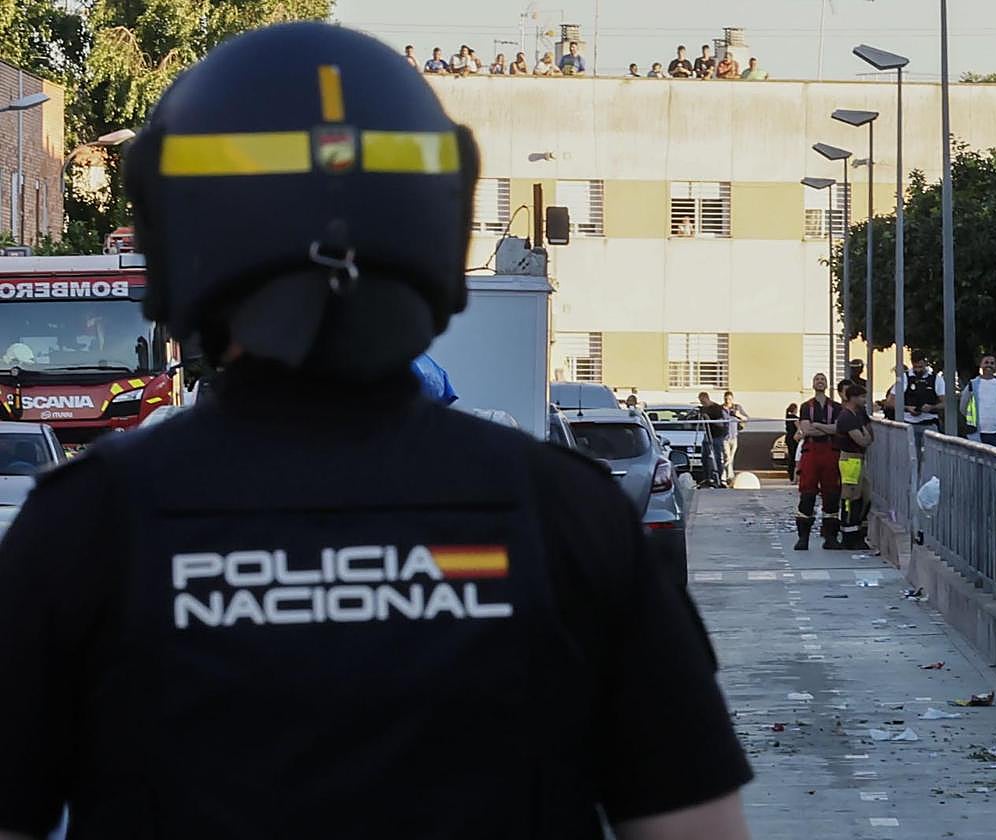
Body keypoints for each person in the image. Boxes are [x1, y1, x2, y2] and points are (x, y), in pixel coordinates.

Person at [0, 24, 755, 840]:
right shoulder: (569, 518)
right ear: (440, 218)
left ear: (175, 231)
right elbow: (696, 828)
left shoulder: (83, 526)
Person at [794, 374, 842, 551]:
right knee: (807, 494)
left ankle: (830, 537)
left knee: (832, 494)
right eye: (817, 379)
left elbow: (837, 428)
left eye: (823, 379)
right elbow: (806, 430)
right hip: (811, 452)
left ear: (827, 384)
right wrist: (826, 429)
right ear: (813, 384)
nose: (820, 382)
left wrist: (818, 426)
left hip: (831, 451)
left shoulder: (836, 407)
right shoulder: (806, 406)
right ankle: (803, 537)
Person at [835, 384, 873, 550]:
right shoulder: (847, 417)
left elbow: (869, 437)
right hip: (850, 459)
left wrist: (866, 433)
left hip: (857, 459)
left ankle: (856, 532)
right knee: (850, 497)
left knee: (863, 496)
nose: (865, 400)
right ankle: (849, 536)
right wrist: (865, 432)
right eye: (862, 397)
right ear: (853, 398)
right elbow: (863, 440)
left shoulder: (858, 414)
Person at [959, 353, 996, 449]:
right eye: (986, 362)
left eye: (992, 363)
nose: (989, 365)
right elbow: (963, 407)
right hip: (977, 434)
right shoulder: (972, 385)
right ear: (980, 365)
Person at [698, 391, 728, 487]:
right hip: (707, 435)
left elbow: (721, 424)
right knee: (705, 457)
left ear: (707, 398)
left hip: (716, 436)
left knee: (717, 457)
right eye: (701, 402)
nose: (702, 403)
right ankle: (707, 477)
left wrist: (709, 420)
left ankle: (718, 478)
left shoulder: (716, 408)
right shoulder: (704, 409)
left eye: (703, 401)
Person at [721, 391, 748, 485]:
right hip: (725, 437)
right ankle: (729, 477)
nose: (727, 401)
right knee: (727, 457)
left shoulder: (737, 407)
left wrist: (738, 415)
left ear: (732, 399)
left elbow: (746, 419)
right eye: (726, 399)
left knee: (731, 458)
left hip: (734, 436)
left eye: (729, 399)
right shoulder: (721, 409)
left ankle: (726, 475)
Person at [784, 402, 800, 482]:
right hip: (793, 439)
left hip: (788, 437)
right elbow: (799, 427)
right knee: (794, 456)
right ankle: (793, 475)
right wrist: (797, 434)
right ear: (795, 409)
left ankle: (791, 474)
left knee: (791, 456)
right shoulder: (794, 418)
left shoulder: (787, 417)